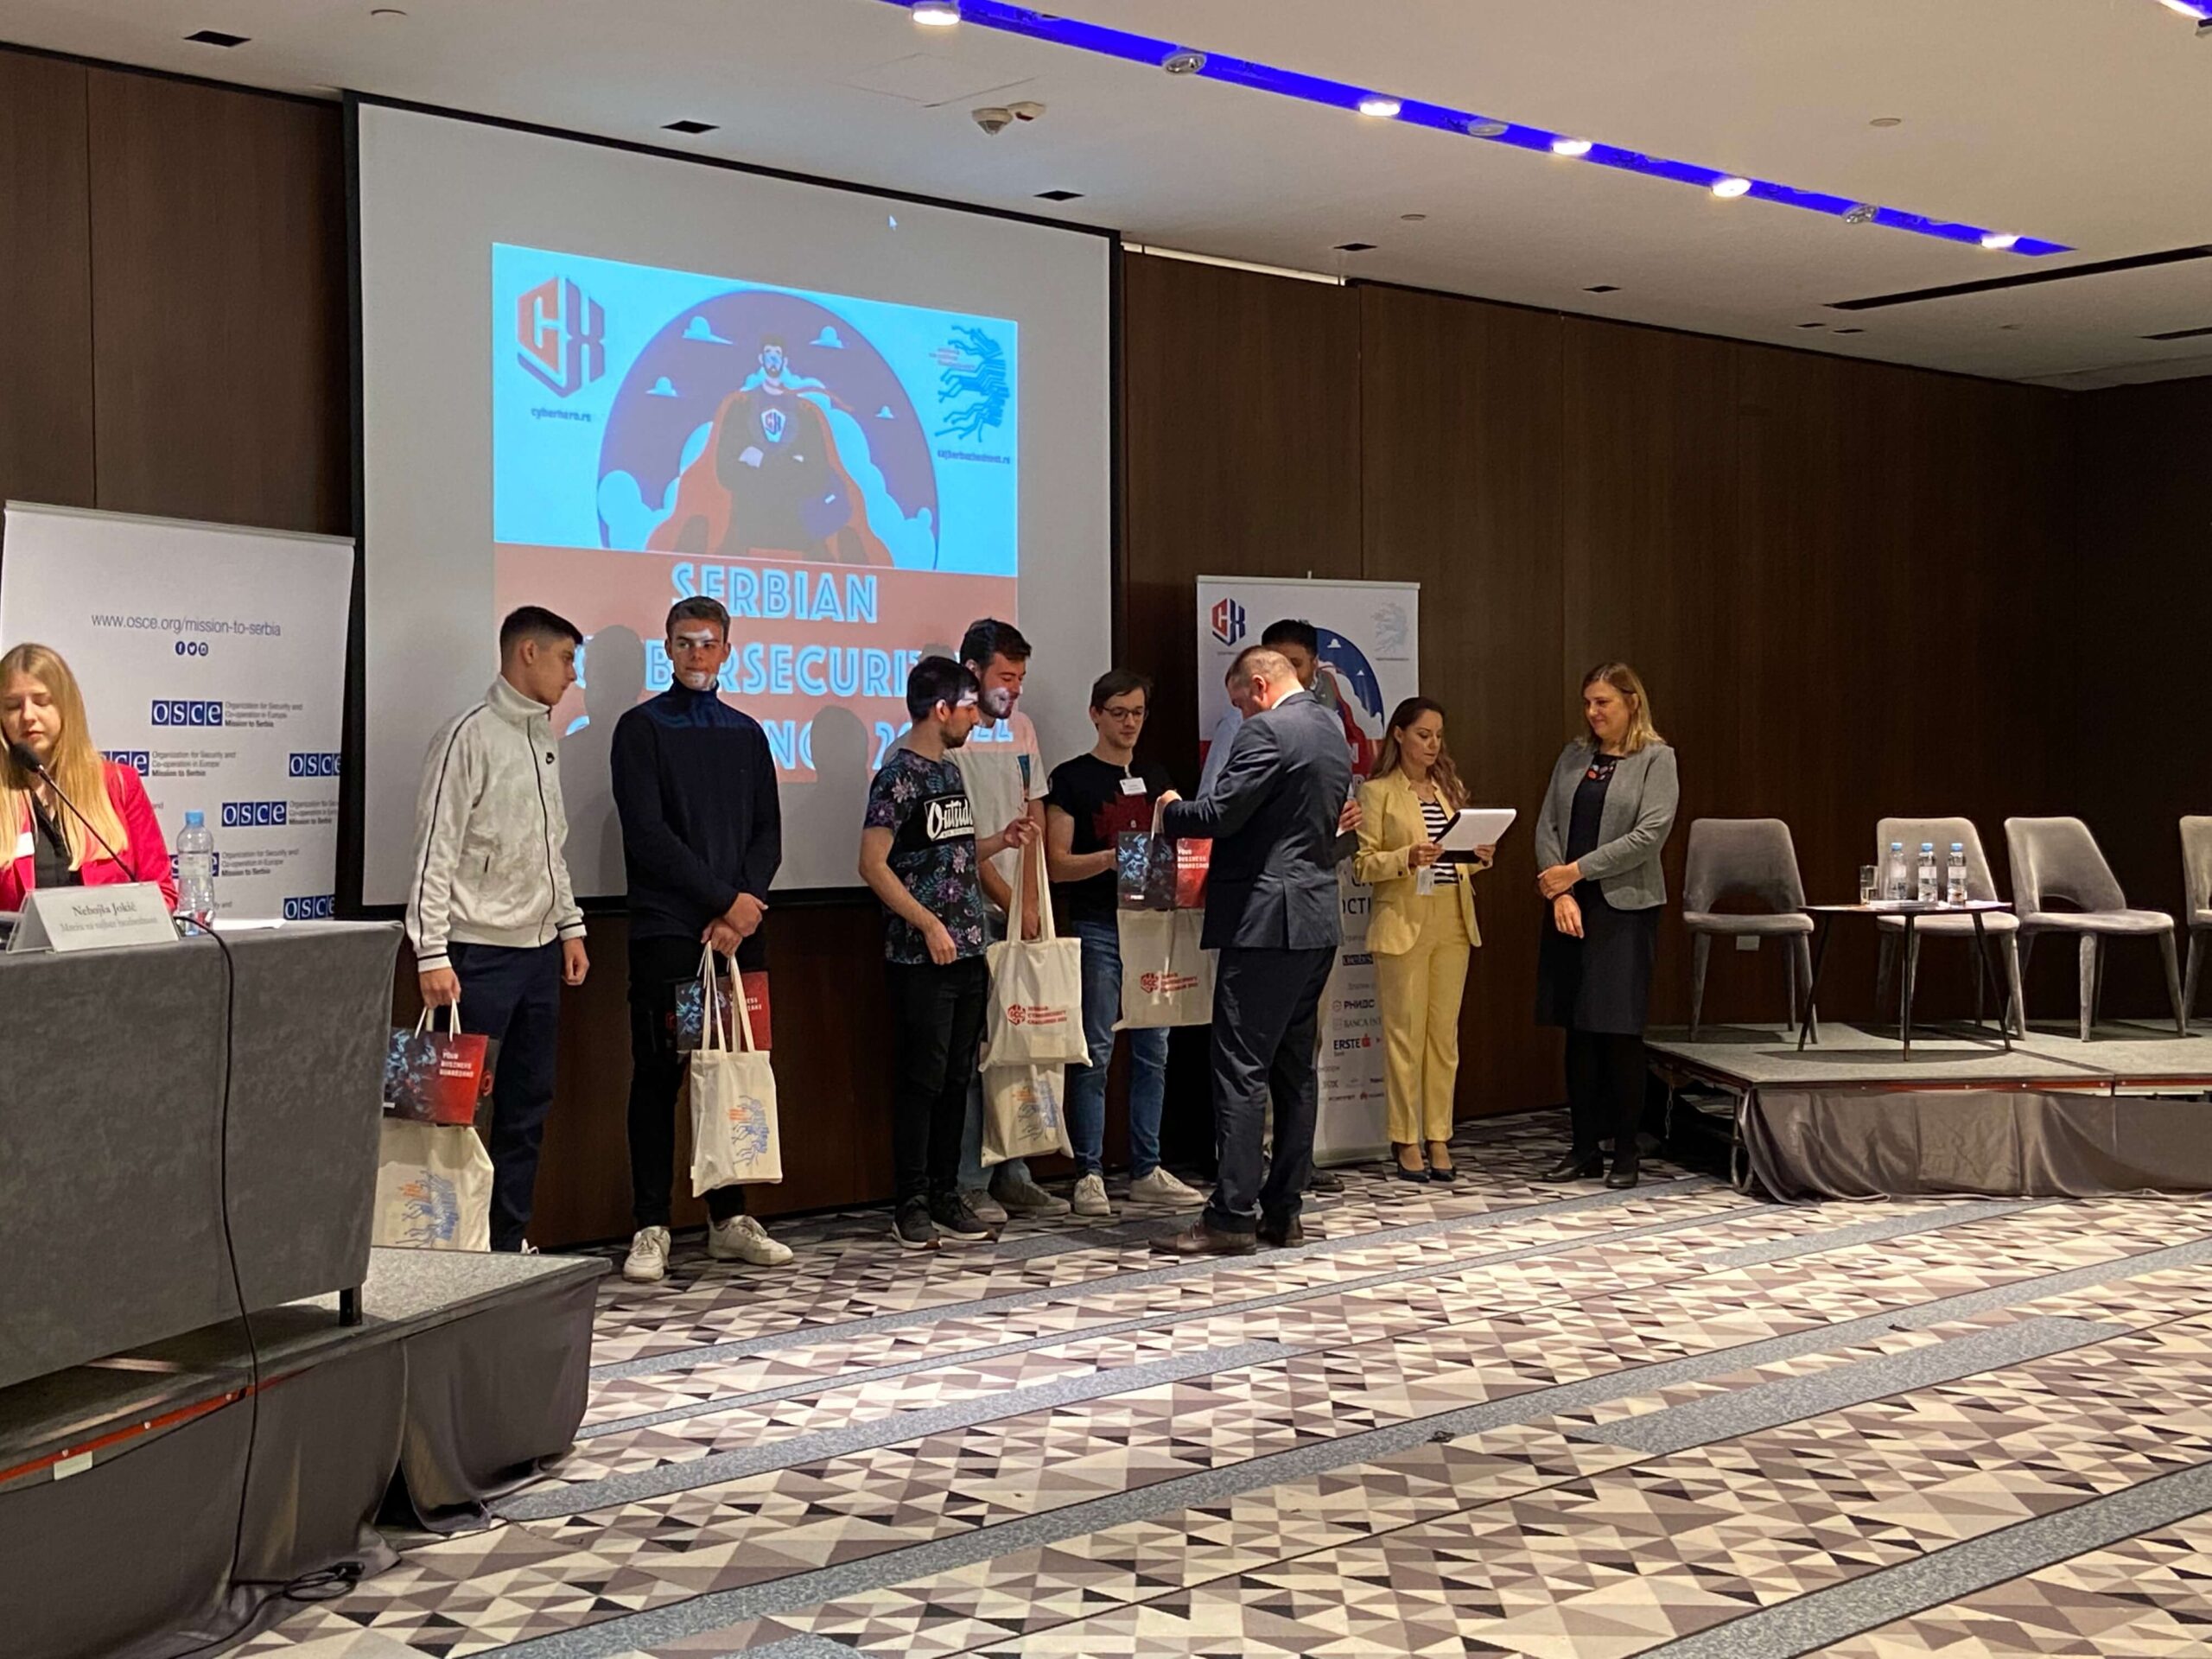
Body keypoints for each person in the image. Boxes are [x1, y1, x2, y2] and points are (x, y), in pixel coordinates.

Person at [1150, 646, 1352, 1255]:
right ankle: (1284, 1211)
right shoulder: (1330, 729)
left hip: (1264, 923)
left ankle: (1231, 1216)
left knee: (1240, 1069)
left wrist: (1170, 809)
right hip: (1315, 919)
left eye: (1240, 701)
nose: (1239, 713)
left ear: (1261, 686)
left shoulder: (1267, 731)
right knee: (1296, 1072)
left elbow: (1221, 813)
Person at [613, 596, 792, 1282]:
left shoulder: (746, 732)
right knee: (661, 1076)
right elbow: (647, 835)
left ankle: (729, 1218)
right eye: (684, 642)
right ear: (668, 649)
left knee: (735, 1072)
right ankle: (651, 1224)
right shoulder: (640, 728)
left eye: (708, 642)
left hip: (738, 936)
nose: (697, 654)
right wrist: (723, 902)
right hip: (669, 931)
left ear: (727, 651)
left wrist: (742, 910)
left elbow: (768, 832)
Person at [404, 607, 591, 1252]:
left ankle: (507, 1244)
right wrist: (430, 951)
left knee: (527, 1107)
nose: (572, 675)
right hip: (474, 954)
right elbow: (435, 847)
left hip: (538, 955)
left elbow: (549, 844)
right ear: (528, 653)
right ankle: (444, 1247)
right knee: (452, 1110)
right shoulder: (468, 735)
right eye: (566, 659)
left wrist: (569, 924)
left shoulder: (543, 737)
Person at [861, 657, 1036, 1250]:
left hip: (968, 949)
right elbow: (872, 864)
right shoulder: (897, 776)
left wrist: (999, 841)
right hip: (921, 956)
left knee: (958, 1075)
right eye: (966, 706)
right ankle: (909, 1202)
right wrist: (927, 923)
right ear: (941, 710)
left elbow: (951, 851)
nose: (975, 717)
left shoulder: (950, 771)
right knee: (923, 1079)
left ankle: (945, 1192)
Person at [1045, 670, 1207, 1217]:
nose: (1129, 722)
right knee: (1095, 1050)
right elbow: (1057, 864)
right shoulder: (1072, 778)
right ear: (1095, 714)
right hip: (1099, 924)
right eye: (1118, 712)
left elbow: (1180, 834)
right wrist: (1112, 859)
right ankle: (1088, 1173)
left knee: (1154, 1050)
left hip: (1153, 925)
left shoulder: (1155, 775)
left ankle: (1146, 1168)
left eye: (1137, 712)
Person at [1534, 662, 1679, 1191]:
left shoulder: (1656, 759)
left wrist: (1576, 872)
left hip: (1624, 908)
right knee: (1578, 1030)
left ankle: (1626, 1152)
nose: (1593, 713)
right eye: (1588, 703)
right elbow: (1548, 824)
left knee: (1617, 1031)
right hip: (1569, 905)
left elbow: (1649, 835)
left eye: (1604, 703)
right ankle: (1583, 1149)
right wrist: (1560, 890)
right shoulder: (1574, 755)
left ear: (1631, 703)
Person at [944, 618, 1069, 1223]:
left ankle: (1015, 1171)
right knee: (978, 1054)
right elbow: (959, 838)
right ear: (973, 672)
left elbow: (1034, 812)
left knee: (1024, 1048)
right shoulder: (951, 733)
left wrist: (1034, 899)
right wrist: (1008, 899)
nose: (1015, 690)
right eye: (1005, 677)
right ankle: (970, 1180)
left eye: (1020, 678)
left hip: (1025, 909)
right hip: (975, 913)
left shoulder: (1022, 728)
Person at [1355, 697, 1492, 1184]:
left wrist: (1478, 855)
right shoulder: (1377, 792)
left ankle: (1439, 1134)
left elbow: (1455, 857)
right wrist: (1406, 857)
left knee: (1443, 1037)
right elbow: (1362, 865)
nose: (1433, 745)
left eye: (1438, 736)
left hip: (1453, 916)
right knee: (1404, 1036)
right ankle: (1405, 1137)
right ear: (1399, 734)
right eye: (1423, 735)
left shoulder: (1446, 789)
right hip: (1404, 919)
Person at [0, 643, 176, 911]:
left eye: (42, 702)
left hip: (110, 938)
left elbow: (162, 893)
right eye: (13, 706)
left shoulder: (119, 784)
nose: (28, 716)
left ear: (66, 706)